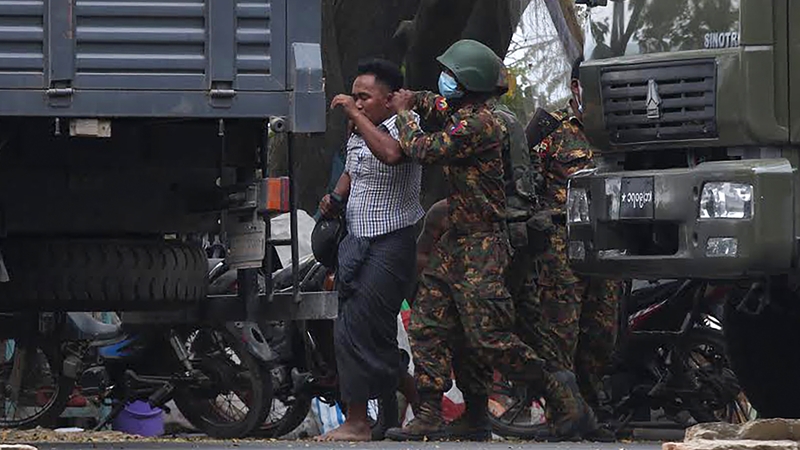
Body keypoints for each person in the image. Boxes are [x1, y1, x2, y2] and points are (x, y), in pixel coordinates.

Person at [385, 39, 597, 442]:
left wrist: (403, 115)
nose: (443, 82)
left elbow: (424, 148)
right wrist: (418, 99)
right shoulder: (468, 112)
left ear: (466, 83)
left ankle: (558, 391)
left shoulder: (481, 124)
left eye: (450, 76)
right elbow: (440, 106)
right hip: (457, 241)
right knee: (429, 323)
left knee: (489, 337)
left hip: (485, 245)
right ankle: (434, 413)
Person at [316, 58, 424, 441]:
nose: (357, 103)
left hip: (390, 244)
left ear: (390, 99)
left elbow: (391, 155)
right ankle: (420, 406)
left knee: (358, 329)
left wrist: (355, 116)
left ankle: (358, 421)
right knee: (367, 333)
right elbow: (354, 167)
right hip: (357, 242)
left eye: (365, 97)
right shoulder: (360, 131)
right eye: (355, 96)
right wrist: (336, 196)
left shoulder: (405, 128)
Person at [528, 56, 623, 414]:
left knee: (601, 332)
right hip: (561, 244)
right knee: (561, 330)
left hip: (609, 243)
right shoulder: (552, 131)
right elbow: (526, 184)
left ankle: (590, 405)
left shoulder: (615, 133)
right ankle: (561, 410)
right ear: (576, 87)